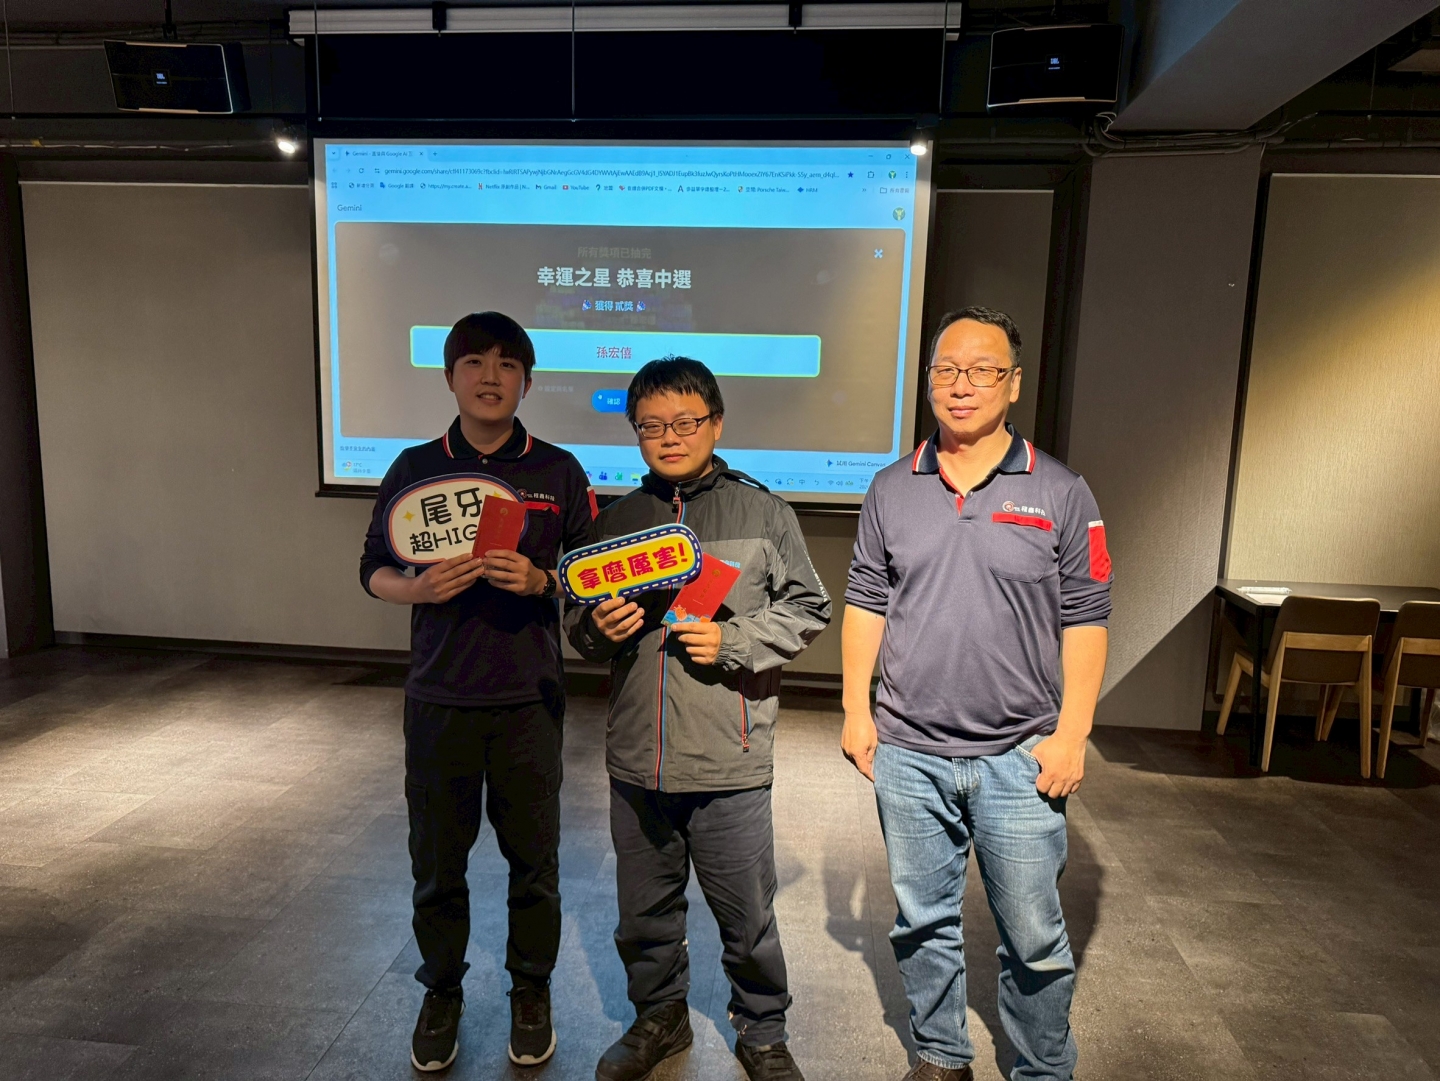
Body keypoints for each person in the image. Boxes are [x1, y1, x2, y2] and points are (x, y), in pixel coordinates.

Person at [840, 307, 1111, 1081]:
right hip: (908, 750)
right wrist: (857, 709)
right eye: (946, 369)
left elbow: (1087, 615)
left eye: (983, 369)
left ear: (1013, 383)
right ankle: (940, 1054)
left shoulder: (1061, 490)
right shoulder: (891, 487)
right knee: (921, 922)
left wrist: (1072, 733)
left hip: (1019, 755)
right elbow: (866, 600)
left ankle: (1043, 1066)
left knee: (1032, 935)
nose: (962, 384)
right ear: (928, 378)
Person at [565, 357, 831, 1081]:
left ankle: (763, 1031)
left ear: (716, 424)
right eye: (651, 425)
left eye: (685, 421)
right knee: (643, 913)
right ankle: (660, 1015)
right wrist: (597, 630)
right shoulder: (615, 522)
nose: (669, 436)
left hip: (729, 759)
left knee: (747, 915)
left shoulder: (764, 513)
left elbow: (809, 607)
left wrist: (735, 640)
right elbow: (577, 626)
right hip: (636, 758)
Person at [360, 311, 596, 1073]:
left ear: (527, 380)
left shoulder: (558, 470)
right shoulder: (414, 468)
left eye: (506, 364)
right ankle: (442, 991)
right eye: (474, 362)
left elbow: (591, 572)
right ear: (450, 376)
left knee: (535, 860)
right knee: (437, 863)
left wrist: (542, 579)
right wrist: (417, 587)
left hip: (529, 698)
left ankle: (531, 988)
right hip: (438, 698)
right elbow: (372, 567)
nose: (490, 376)